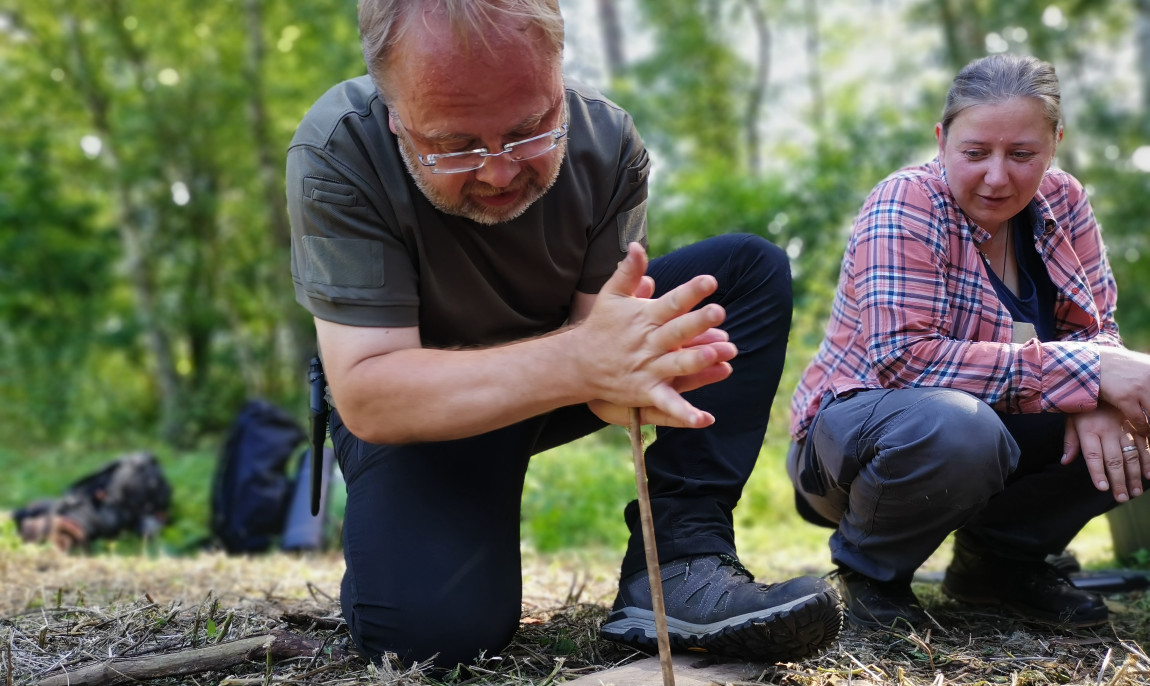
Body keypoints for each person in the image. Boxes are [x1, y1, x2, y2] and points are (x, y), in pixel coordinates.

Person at [286, 0, 843, 669]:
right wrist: (588, 364)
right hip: (419, 406)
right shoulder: (337, 150)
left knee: (745, 273)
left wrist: (633, 380)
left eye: (530, 130)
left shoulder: (607, 143)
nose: (499, 171)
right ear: (393, 112)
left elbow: (597, 332)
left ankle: (678, 564)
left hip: (557, 367)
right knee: (432, 639)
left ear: (557, 69)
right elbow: (371, 394)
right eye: (456, 145)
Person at [788, 53, 1150, 630]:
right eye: (975, 152)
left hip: (990, 423)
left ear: (1055, 143)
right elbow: (904, 361)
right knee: (962, 426)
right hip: (855, 447)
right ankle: (869, 574)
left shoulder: (1066, 202)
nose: (997, 176)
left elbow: (1095, 328)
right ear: (942, 139)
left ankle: (1001, 562)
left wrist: (1104, 394)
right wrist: (1092, 377)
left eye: (1023, 154)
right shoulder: (905, 202)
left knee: (1140, 402)